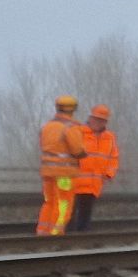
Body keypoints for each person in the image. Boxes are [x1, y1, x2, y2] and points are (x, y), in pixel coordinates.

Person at [36, 94, 88, 236]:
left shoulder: (47, 127)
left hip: (47, 172)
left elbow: (43, 146)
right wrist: (84, 153)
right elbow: (77, 150)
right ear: (73, 109)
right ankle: (56, 234)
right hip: (64, 174)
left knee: (49, 202)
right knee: (63, 203)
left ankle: (42, 232)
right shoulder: (70, 127)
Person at [71, 104, 120, 233]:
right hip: (74, 180)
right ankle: (68, 235)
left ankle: (81, 236)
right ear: (90, 118)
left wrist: (109, 173)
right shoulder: (78, 132)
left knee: (85, 212)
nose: (99, 122)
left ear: (106, 121)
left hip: (94, 183)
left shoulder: (110, 137)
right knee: (69, 211)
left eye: (102, 120)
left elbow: (114, 158)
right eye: (97, 119)